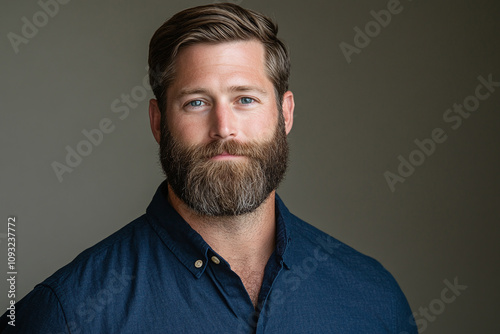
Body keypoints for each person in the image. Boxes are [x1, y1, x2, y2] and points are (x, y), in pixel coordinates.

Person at [0, 3, 417, 333]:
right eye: (196, 102)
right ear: (159, 122)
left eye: (245, 99)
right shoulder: (66, 313)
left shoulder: (373, 297)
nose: (224, 128)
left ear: (285, 114)